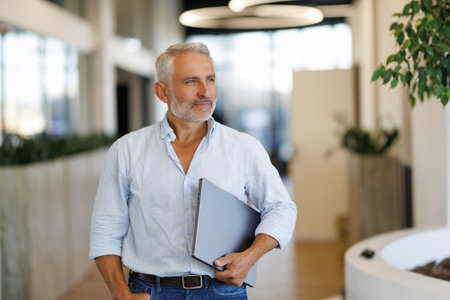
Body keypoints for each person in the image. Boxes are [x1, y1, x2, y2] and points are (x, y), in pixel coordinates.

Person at [89, 42, 297, 300]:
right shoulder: (126, 151)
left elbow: (281, 208)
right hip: (150, 292)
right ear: (162, 92)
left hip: (223, 291)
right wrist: (121, 294)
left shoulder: (244, 148)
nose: (205, 91)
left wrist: (250, 257)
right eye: (191, 82)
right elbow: (105, 232)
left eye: (210, 79)